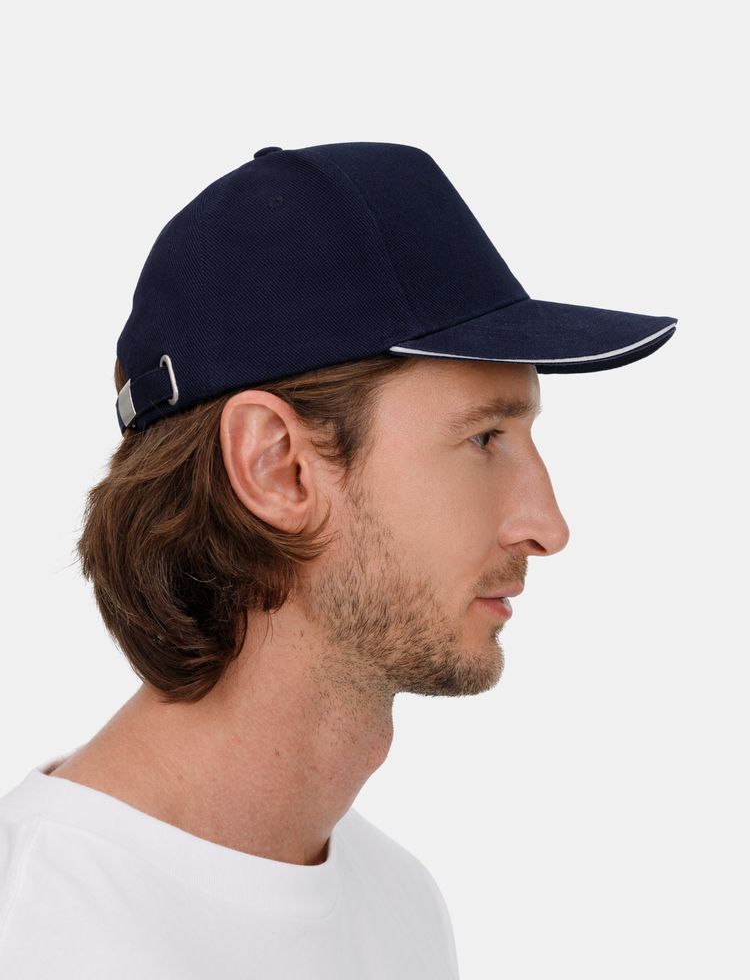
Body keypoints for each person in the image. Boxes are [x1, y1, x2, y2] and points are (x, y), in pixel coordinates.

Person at [0, 141, 678, 978]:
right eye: (484, 438)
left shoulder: (398, 903)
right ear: (276, 466)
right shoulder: (41, 934)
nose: (548, 526)